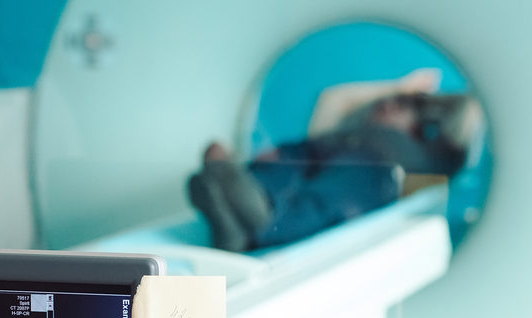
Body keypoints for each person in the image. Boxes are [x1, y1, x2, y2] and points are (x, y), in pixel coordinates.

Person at [188, 69, 485, 252]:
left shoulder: (420, 158)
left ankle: (237, 204)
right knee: (286, 162)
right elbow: (334, 98)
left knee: (342, 191)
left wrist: (416, 97)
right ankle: (239, 210)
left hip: (371, 172)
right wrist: (398, 87)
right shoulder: (342, 130)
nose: (388, 105)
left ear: (423, 129)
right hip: (310, 158)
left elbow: (465, 124)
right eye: (389, 101)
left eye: (402, 106)